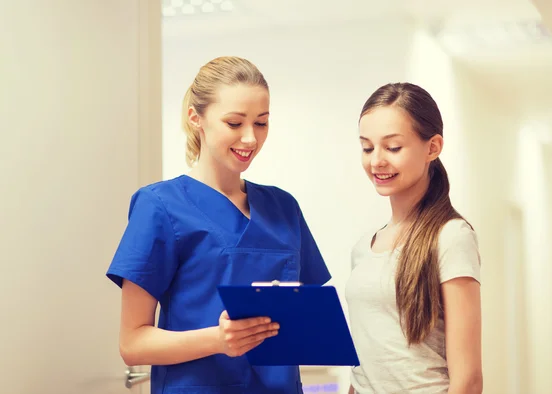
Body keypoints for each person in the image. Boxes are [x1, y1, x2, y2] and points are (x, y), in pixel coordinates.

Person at [106, 56, 331, 394]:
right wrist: (218, 339)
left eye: (261, 123)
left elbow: (305, 322)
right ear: (196, 118)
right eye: (234, 123)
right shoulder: (161, 206)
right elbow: (133, 343)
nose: (250, 138)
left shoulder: (284, 207)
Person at [345, 83, 483, 394]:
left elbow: (469, 380)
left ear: (432, 147)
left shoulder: (450, 237)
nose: (376, 161)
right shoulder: (362, 249)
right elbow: (365, 370)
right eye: (367, 148)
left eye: (393, 147)